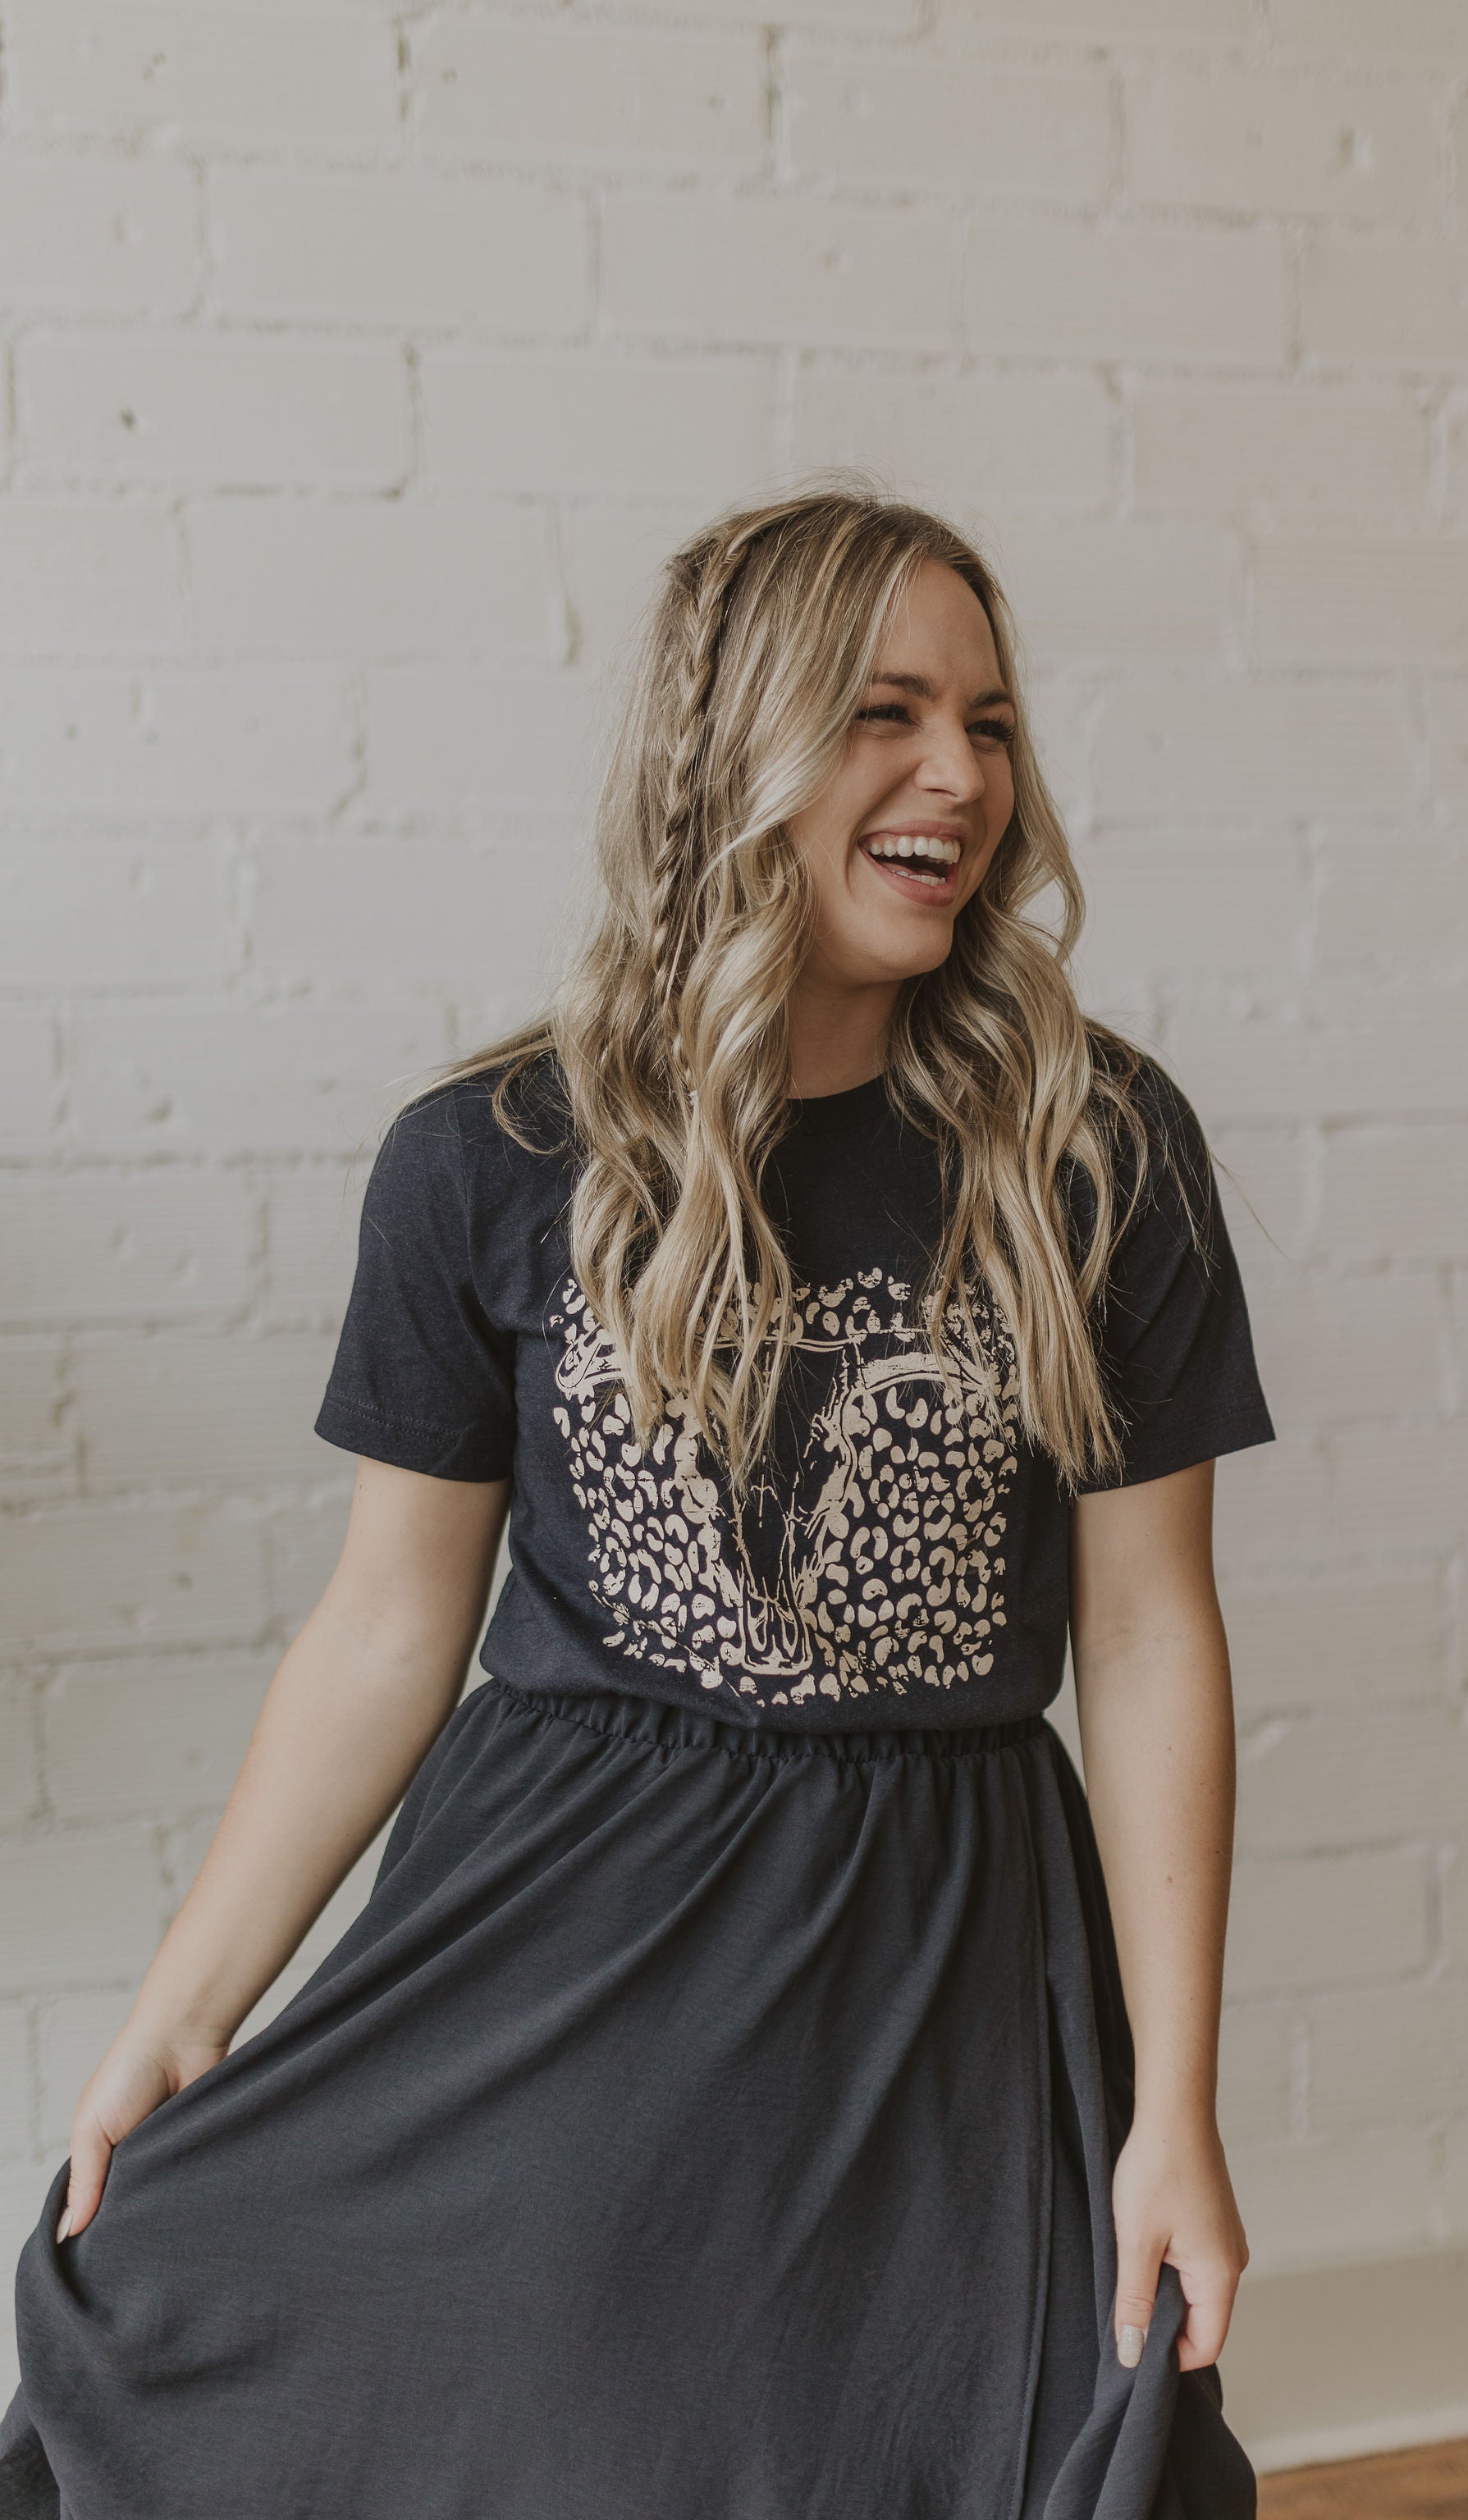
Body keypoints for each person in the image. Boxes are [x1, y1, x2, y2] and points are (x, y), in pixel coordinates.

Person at [1, 482, 1275, 2520]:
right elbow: (384, 1630)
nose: (961, 775)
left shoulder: (1092, 1145)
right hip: (567, 1929)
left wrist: (1176, 2110)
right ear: (733, 747)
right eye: (883, 713)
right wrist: (181, 2016)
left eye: (987, 722)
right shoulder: (488, 1157)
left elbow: (1143, 1635)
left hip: (943, 1940)